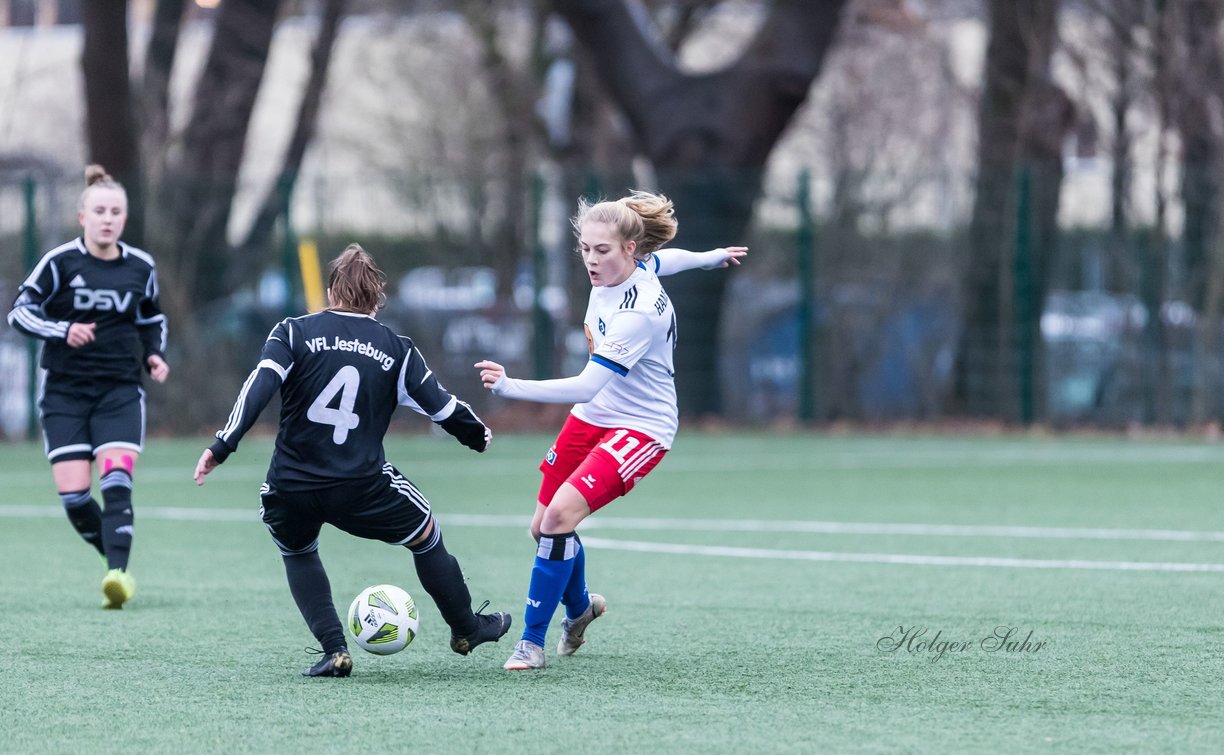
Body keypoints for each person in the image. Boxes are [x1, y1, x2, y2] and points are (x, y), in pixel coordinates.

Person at [194, 243, 511, 677]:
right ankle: (466, 628)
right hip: (360, 485)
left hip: (291, 485)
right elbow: (441, 405)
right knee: (425, 535)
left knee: (298, 551)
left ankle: (334, 650)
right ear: (377, 300)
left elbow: (260, 385)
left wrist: (222, 445)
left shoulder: (291, 332)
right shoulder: (396, 348)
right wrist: (475, 434)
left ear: (329, 292)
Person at [475, 190, 746, 670]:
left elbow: (585, 385)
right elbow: (672, 260)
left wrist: (510, 386)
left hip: (642, 427)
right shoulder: (636, 267)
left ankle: (531, 644)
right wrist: (710, 258)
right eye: (585, 249)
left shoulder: (639, 312)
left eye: (602, 251)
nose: (591, 260)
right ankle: (579, 610)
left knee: (558, 520)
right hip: (596, 414)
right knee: (542, 527)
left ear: (630, 250)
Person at [7, 164, 169, 609]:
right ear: (83, 217)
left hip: (119, 392)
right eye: (99, 210)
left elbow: (151, 318)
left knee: (117, 481)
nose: (108, 218)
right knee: (76, 496)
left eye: (116, 211)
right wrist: (61, 329)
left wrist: (155, 354)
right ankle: (110, 555)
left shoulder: (141, 266)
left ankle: (118, 576)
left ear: (124, 219)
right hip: (64, 393)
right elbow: (19, 312)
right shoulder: (60, 262)